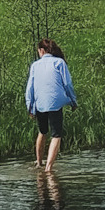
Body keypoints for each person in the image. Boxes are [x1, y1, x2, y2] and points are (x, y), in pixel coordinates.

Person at [24, 38, 76, 173]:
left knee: (42, 132)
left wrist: (30, 107)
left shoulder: (35, 65)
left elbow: (30, 88)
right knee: (56, 135)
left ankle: (39, 163)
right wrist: (73, 101)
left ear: (41, 51)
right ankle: (48, 169)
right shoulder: (59, 63)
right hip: (55, 103)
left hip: (40, 103)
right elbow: (67, 84)